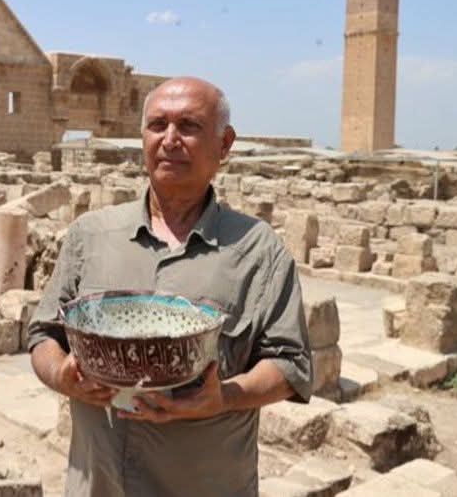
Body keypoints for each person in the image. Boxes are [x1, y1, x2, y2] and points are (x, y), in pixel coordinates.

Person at [26, 76, 312, 497]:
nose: (170, 139)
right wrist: (60, 375)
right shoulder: (90, 235)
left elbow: (291, 365)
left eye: (189, 126)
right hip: (96, 482)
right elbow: (42, 336)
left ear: (225, 144)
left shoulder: (259, 251)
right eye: (157, 125)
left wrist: (225, 397)